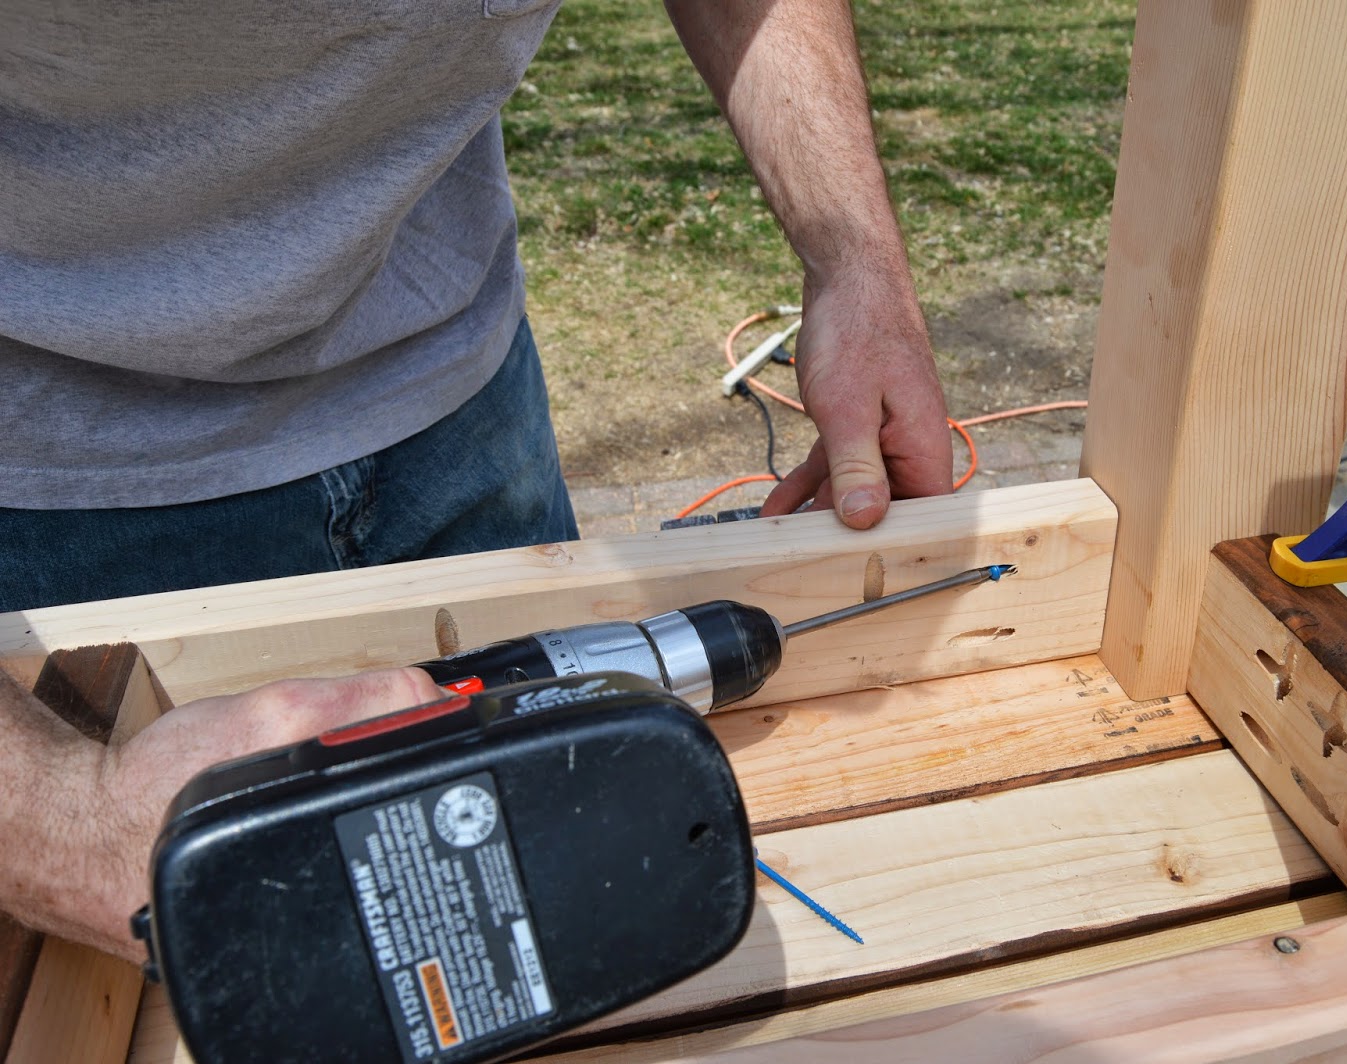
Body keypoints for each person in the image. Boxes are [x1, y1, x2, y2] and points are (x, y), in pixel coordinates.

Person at [0, 2, 950, 959]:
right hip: (68, 493)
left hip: (459, 390)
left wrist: (855, 256)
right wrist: (74, 825)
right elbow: (83, 838)